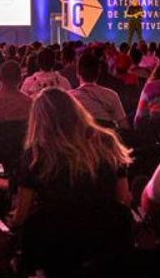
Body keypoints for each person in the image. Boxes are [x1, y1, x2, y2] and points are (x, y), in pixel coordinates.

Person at [9, 88, 132, 228]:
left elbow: (21, 215)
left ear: (38, 120)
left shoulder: (37, 154)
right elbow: (123, 199)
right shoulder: (107, 142)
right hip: (104, 237)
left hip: (56, 240)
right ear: (75, 110)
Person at [69, 51, 129, 129]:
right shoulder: (111, 95)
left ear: (77, 73)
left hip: (78, 140)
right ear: (98, 73)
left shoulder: (69, 97)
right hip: (105, 139)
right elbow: (124, 126)